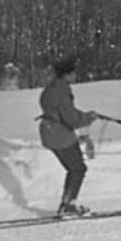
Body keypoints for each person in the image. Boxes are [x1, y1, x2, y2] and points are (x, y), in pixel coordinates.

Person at [38, 54, 98, 217]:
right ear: (67, 74)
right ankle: (68, 205)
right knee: (77, 168)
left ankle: (67, 203)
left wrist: (84, 116)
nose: (75, 76)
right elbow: (70, 118)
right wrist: (88, 118)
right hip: (59, 134)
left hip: (50, 131)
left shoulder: (50, 88)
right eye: (73, 73)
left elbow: (63, 112)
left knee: (74, 168)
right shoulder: (62, 90)